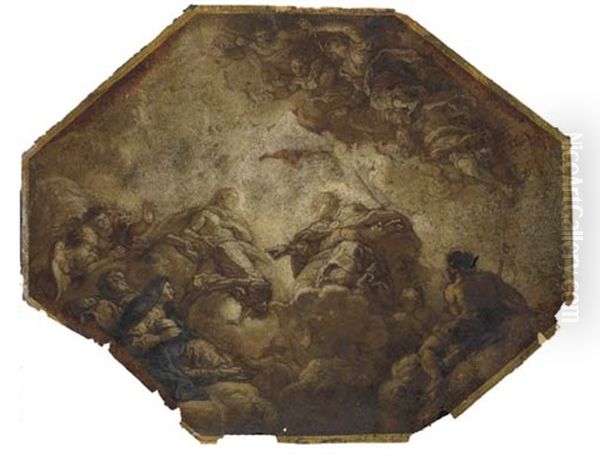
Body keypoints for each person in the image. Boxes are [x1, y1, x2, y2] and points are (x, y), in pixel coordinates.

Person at [419, 250, 536, 391]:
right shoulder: (490, 278)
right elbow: (516, 297)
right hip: (497, 319)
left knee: (427, 348)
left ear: (453, 268)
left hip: (470, 325)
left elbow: (457, 314)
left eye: (448, 268)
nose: (447, 271)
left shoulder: (452, 290)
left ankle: (435, 377)